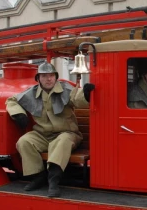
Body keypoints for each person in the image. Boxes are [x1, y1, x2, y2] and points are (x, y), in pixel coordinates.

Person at [6, 62, 95, 197]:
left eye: (51, 76)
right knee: (24, 141)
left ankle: (54, 180)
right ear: (38, 78)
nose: (48, 79)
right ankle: (38, 177)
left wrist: (86, 94)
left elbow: (77, 98)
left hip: (67, 133)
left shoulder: (66, 89)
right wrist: (18, 113)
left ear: (56, 77)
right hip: (43, 135)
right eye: (44, 76)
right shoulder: (32, 92)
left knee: (62, 141)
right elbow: (11, 101)